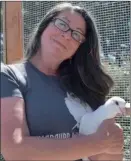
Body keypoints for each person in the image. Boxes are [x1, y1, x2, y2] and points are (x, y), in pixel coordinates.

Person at [1, 2, 124, 161]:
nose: (66, 35)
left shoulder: (85, 88)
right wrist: (99, 143)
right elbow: (15, 151)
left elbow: (110, 154)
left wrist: (109, 145)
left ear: (77, 49)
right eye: (62, 24)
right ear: (44, 26)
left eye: (76, 34)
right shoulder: (9, 76)